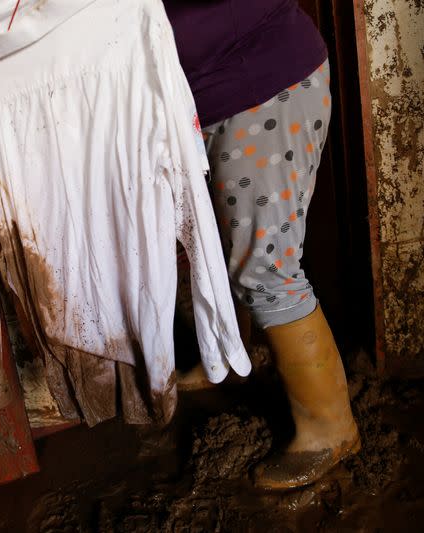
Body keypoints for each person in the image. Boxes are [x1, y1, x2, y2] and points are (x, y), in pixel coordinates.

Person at [163, 0, 360, 490]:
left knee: (266, 269)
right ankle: (229, 358)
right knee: (224, 249)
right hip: (209, 96)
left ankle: (330, 430)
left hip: (259, 85)